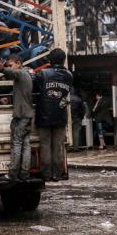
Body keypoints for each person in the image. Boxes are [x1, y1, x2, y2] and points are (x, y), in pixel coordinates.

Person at [34, 48, 73, 181]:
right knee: (58, 147)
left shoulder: (42, 74)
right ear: (63, 60)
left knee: (45, 146)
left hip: (44, 116)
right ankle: (57, 173)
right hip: (61, 116)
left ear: (50, 60)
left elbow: (34, 88)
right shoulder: (69, 75)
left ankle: (46, 175)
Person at [0, 54, 34, 181]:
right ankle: (24, 173)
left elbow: (11, 74)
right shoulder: (27, 74)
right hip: (27, 114)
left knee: (17, 143)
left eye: (11, 65)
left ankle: (12, 174)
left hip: (22, 116)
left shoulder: (21, 73)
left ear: (19, 63)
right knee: (26, 144)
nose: (10, 68)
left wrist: (2, 69)